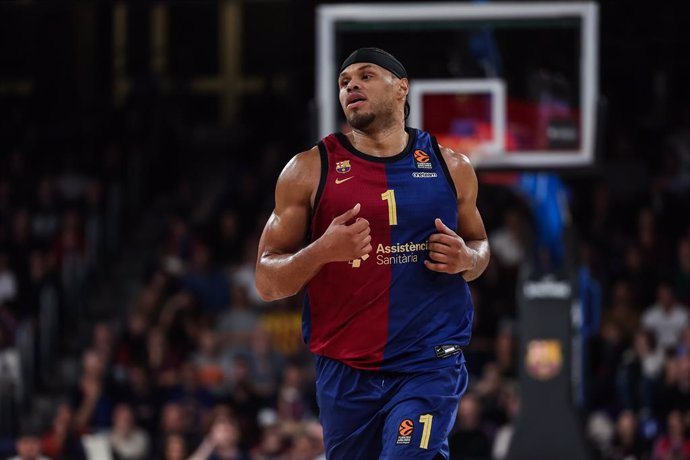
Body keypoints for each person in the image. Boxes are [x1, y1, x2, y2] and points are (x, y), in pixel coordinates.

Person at [255, 47, 490, 459]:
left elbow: (480, 247)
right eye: (344, 81)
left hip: (428, 362)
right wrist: (321, 251)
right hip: (345, 372)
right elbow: (267, 281)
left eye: (365, 76)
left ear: (401, 88)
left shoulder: (451, 165)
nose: (351, 86)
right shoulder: (308, 170)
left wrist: (467, 259)